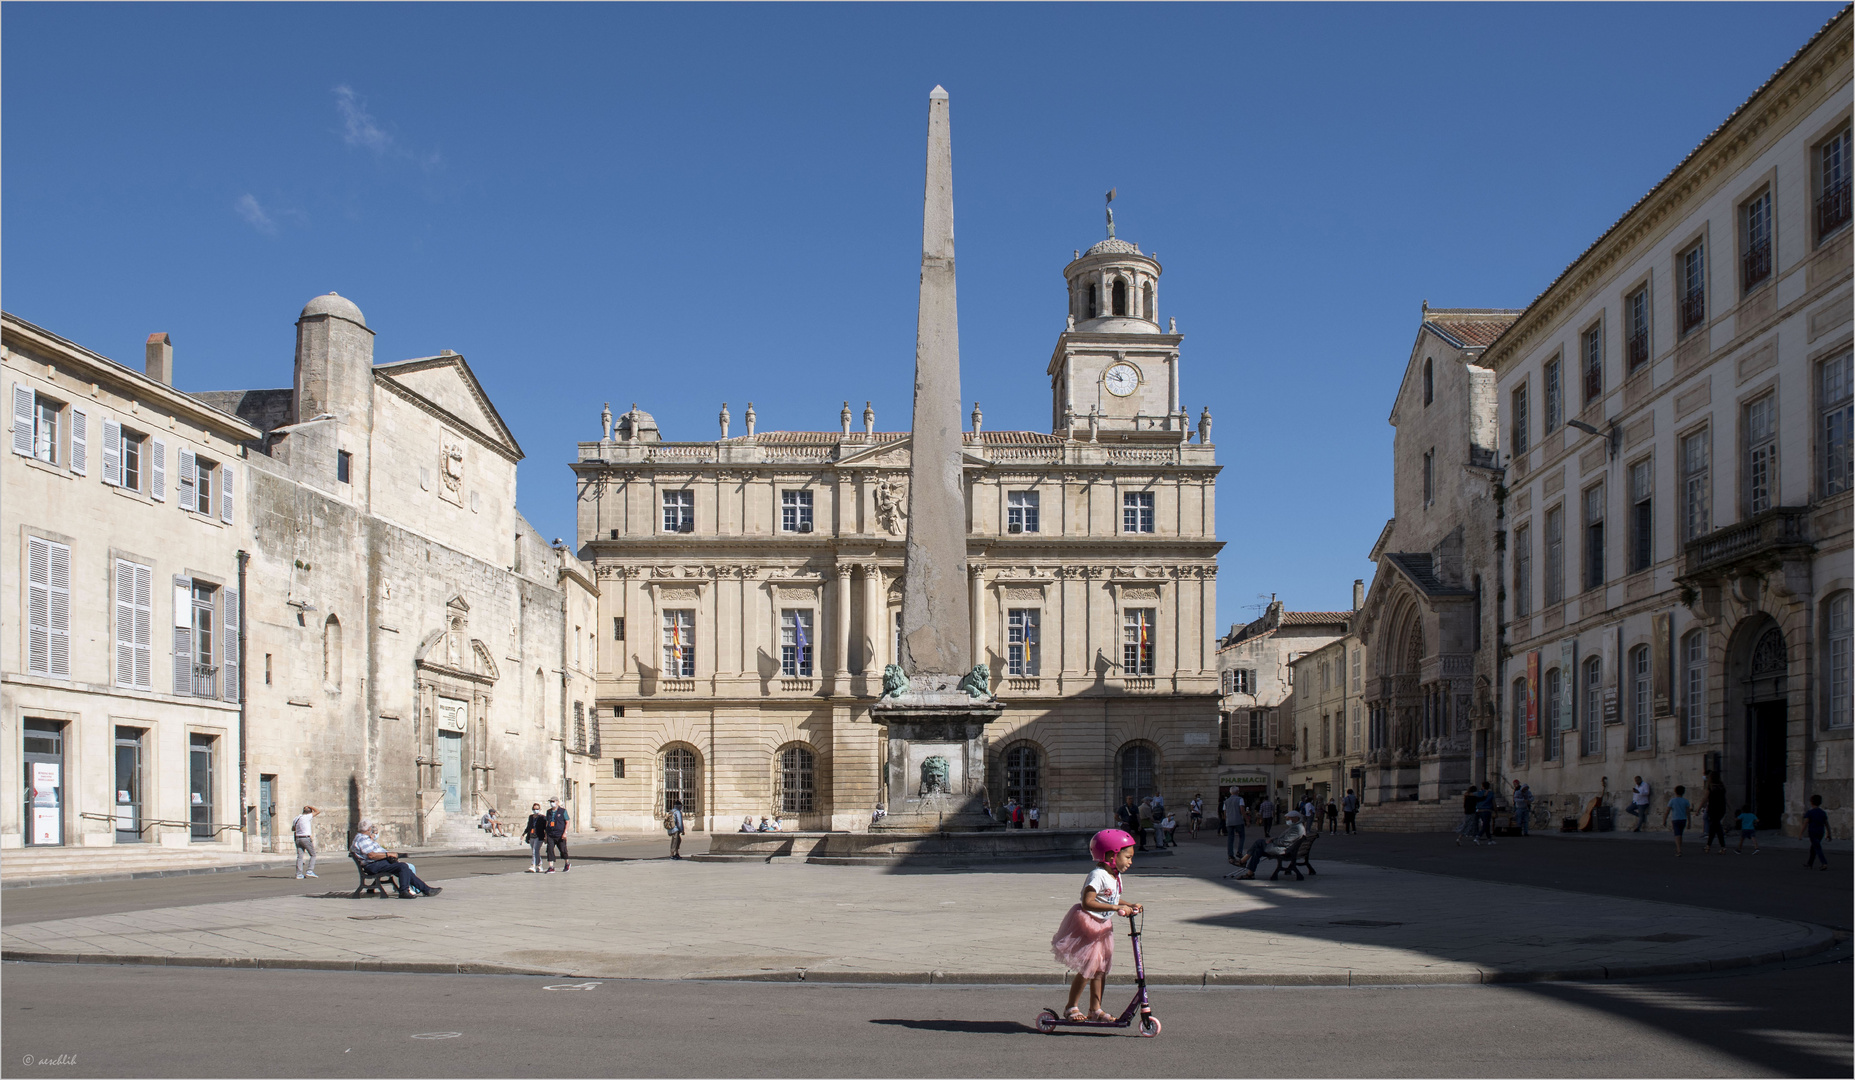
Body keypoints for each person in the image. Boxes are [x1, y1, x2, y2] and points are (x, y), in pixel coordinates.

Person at [1050, 829, 1142, 1023]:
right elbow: (1087, 902)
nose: (1130, 862)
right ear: (1111, 855)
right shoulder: (1097, 875)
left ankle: (1095, 1009)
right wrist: (1115, 907)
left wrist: (1128, 904)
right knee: (1088, 968)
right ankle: (1071, 1007)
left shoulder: (1114, 875)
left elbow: (1112, 897)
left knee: (1100, 970)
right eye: (1127, 857)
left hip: (1103, 925)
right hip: (1088, 922)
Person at [351, 822, 439, 897]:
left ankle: (426, 889)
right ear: (369, 829)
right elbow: (371, 855)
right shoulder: (363, 839)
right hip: (373, 865)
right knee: (402, 866)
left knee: (404, 868)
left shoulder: (362, 838)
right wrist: (387, 854)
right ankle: (404, 891)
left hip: (376, 863)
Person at [1229, 810, 1308, 880]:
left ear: (1296, 818)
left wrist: (1273, 840)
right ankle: (1250, 873)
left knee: (1259, 842)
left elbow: (1285, 842)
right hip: (1288, 849)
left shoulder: (1296, 828)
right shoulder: (1296, 826)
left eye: (1288, 818)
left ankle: (1243, 861)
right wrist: (1273, 839)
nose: (1287, 820)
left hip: (1285, 850)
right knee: (1257, 850)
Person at [1700, 770, 1730, 854]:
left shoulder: (1710, 787)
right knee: (1714, 827)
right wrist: (1729, 807)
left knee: (1716, 827)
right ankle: (1708, 846)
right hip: (1721, 809)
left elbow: (1705, 799)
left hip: (1713, 809)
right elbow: (1725, 798)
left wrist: (1699, 808)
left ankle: (1722, 846)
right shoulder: (1722, 786)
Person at [1661, 785, 1691, 857]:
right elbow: (1688, 812)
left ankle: (1679, 849)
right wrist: (1689, 822)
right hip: (1683, 819)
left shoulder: (1672, 801)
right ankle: (1679, 848)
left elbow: (1667, 811)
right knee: (1680, 834)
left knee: (1677, 834)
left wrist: (1664, 820)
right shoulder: (1686, 801)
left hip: (1675, 819)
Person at [291, 805, 320, 880]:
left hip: (298, 838)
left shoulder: (296, 818)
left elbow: (293, 829)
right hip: (305, 838)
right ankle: (309, 870)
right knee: (313, 855)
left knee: (300, 856)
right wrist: (310, 806)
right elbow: (318, 811)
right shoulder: (307, 817)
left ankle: (299, 874)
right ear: (310, 812)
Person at [1804, 794, 1831, 870]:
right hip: (1820, 832)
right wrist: (1829, 833)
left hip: (1813, 832)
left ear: (1811, 802)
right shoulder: (1822, 812)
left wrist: (1800, 833)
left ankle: (1824, 863)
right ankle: (1809, 863)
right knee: (1813, 848)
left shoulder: (1810, 812)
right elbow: (1826, 823)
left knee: (1817, 848)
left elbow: (1806, 823)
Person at [543, 797, 571, 873]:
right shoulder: (548, 812)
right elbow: (547, 822)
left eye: (553, 801)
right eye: (550, 802)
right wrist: (545, 834)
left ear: (557, 802)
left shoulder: (562, 811)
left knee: (563, 850)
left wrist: (565, 833)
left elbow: (567, 821)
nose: (552, 803)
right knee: (549, 849)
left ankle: (567, 863)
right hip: (550, 834)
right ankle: (551, 866)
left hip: (560, 834)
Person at [521, 802, 547, 872]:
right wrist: (524, 834)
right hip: (532, 836)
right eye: (534, 809)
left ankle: (533, 865)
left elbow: (545, 828)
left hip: (539, 836)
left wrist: (546, 836)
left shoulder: (542, 817)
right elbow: (528, 826)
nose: (535, 810)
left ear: (540, 809)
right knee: (535, 851)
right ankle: (539, 865)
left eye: (537, 809)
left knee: (534, 851)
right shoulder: (531, 817)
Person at [1223, 791, 1247, 865]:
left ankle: (1230, 855)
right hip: (1238, 820)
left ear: (1230, 792)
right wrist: (1246, 819)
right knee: (1242, 836)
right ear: (1238, 792)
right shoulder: (1240, 799)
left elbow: (1224, 811)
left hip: (1229, 822)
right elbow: (1242, 809)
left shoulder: (1226, 801)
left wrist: (1226, 819)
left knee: (1230, 838)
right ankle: (1239, 852)